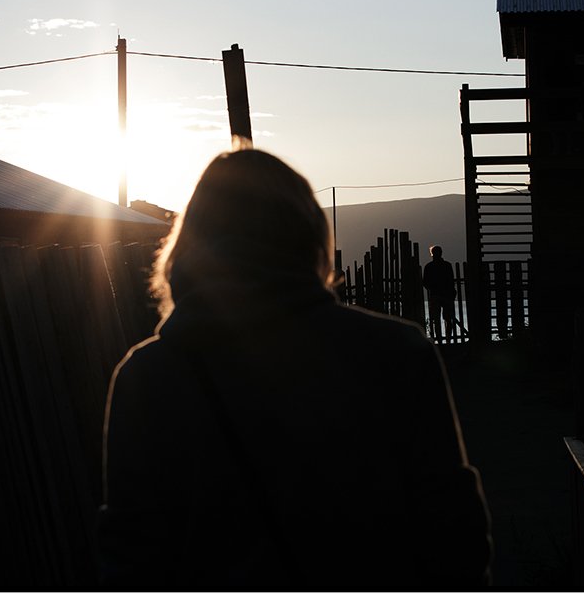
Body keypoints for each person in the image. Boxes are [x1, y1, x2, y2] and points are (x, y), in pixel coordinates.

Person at [99, 148, 491, 590]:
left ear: (191, 242)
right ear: (306, 234)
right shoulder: (395, 352)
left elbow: (133, 555)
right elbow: (453, 526)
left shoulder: (147, 376)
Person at [423, 245, 457, 343]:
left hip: (437, 295)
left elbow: (425, 282)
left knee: (438, 319)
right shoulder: (447, 265)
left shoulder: (429, 266)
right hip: (445, 295)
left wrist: (432, 288)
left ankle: (440, 339)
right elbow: (451, 280)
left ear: (432, 253)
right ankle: (447, 339)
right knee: (447, 319)